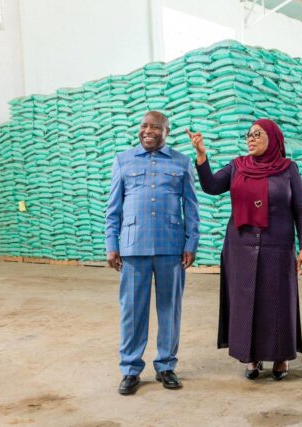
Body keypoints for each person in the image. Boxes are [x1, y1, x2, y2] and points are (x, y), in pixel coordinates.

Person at [187, 119, 302, 381]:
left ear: (273, 138)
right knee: (245, 302)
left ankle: (280, 357)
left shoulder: (288, 169)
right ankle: (251, 357)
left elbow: (300, 209)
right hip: (240, 246)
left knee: (277, 302)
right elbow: (211, 186)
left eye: (257, 134)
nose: (250, 139)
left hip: (277, 246)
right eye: (248, 135)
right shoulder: (237, 166)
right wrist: (201, 155)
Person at [106, 111, 200, 395]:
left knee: (170, 309)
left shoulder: (182, 162)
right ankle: (130, 369)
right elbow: (113, 208)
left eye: (155, 127)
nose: (148, 131)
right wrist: (111, 244)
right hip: (133, 247)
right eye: (144, 126)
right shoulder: (123, 160)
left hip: (171, 247)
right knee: (132, 311)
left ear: (166, 131)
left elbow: (191, 207)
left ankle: (166, 366)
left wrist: (191, 243)